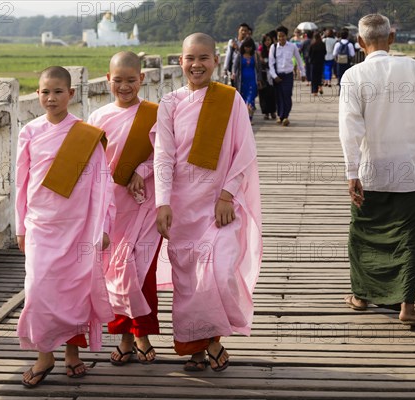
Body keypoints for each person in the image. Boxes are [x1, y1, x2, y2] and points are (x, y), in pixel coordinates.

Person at [154, 32, 262, 372]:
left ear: (216, 60)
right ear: (181, 61)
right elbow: (163, 156)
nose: (196, 64)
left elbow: (243, 153)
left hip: (220, 205)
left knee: (219, 272)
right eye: (189, 58)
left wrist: (228, 195)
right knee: (190, 282)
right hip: (182, 205)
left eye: (203, 58)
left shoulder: (230, 100)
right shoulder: (169, 103)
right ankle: (200, 349)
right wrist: (162, 202)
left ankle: (214, 339)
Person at [338, 14, 415, 328]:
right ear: (392, 37)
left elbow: (349, 129)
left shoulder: (353, 75)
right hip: (407, 169)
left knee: (363, 234)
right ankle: (407, 306)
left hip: (370, 168)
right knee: (408, 236)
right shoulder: (410, 67)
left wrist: (352, 173)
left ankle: (362, 297)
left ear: (360, 42)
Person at [15, 66, 115, 387]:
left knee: (73, 291)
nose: (51, 98)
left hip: (78, 227)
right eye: (45, 91)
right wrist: (20, 226)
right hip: (40, 226)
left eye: (58, 91)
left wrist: (102, 225)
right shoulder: (29, 132)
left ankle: (72, 353)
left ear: (71, 94)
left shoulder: (86, 135)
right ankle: (45, 354)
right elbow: (21, 183)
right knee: (38, 289)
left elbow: (103, 185)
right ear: (37, 94)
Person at [87, 51, 162, 366]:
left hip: (145, 204)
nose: (125, 86)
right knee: (114, 272)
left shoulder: (155, 114)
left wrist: (140, 172)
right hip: (112, 208)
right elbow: (90, 166)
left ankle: (142, 333)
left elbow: (166, 156)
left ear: (142, 79)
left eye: (131, 80)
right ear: (108, 80)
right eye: (118, 80)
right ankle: (124, 336)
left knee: (141, 272)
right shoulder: (97, 119)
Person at [268, 25, 305, 126]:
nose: (281, 38)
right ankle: (280, 115)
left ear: (286, 36)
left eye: (283, 36)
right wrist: (274, 76)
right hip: (277, 75)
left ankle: (285, 116)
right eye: (279, 36)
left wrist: (303, 73)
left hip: (288, 75)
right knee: (278, 96)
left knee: (287, 95)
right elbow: (271, 63)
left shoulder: (292, 47)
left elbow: (299, 60)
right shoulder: (273, 47)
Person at [232, 37, 261, 123]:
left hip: (252, 80)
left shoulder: (255, 56)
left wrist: (259, 79)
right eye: (246, 46)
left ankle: (250, 117)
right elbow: (235, 66)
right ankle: (246, 118)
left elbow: (259, 68)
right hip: (242, 81)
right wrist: (233, 73)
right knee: (243, 99)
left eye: (250, 47)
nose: (248, 48)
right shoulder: (239, 56)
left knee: (250, 99)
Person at [257, 33, 277, 120]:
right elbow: (259, 61)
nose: (267, 42)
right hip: (263, 73)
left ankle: (273, 111)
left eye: (269, 40)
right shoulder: (261, 50)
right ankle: (266, 112)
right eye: (265, 40)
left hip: (273, 74)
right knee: (263, 94)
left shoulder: (275, 49)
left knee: (272, 93)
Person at [308, 31, 326, 96]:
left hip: (313, 63)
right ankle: (320, 87)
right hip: (321, 62)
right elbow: (325, 52)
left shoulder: (312, 45)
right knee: (319, 76)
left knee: (313, 77)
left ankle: (314, 91)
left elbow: (310, 54)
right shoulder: (322, 44)